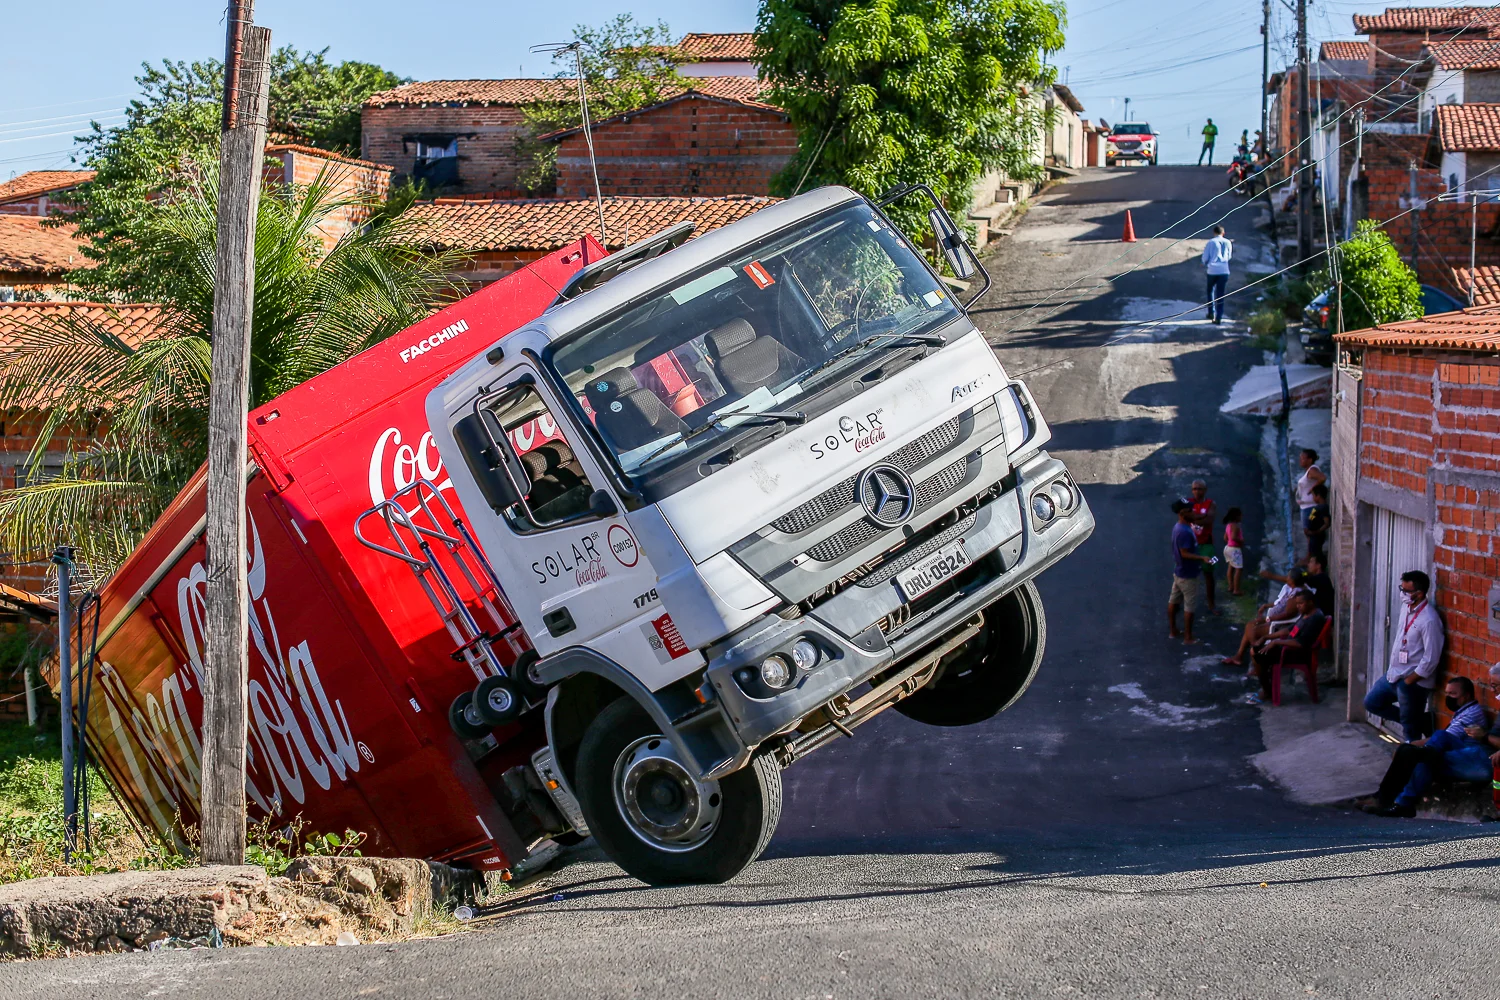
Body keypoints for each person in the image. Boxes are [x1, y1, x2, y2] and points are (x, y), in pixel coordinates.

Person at [1366, 676, 1491, 817]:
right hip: (1461, 755)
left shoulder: (1472, 714)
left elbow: (1448, 738)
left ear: (1466, 695)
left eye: (1453, 694)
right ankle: (1396, 802)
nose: (1449, 697)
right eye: (1447, 693)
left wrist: (1411, 746)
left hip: (1473, 759)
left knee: (1426, 747)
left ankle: (1390, 800)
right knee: (1422, 754)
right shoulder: (1465, 711)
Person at [1363, 570, 1443, 741]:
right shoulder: (1406, 608)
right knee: (1372, 702)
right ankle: (1422, 722)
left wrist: (1409, 681)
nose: (1403, 594)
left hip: (1413, 681)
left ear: (1419, 593)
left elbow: (1431, 657)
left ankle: (1412, 762)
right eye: (1402, 588)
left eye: (1407, 591)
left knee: (1410, 731)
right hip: (1395, 674)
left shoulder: (1429, 619)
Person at [1247, 591, 1327, 704]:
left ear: (1311, 602)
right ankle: (1268, 687)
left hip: (1295, 653)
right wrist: (1266, 637)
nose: (1298, 606)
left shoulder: (1314, 619)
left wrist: (1276, 643)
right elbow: (1290, 629)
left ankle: (1267, 691)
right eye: (1297, 603)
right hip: (1287, 649)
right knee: (1256, 651)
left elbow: (1301, 643)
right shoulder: (1306, 614)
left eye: (1301, 603)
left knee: (1255, 653)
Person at [1222, 567, 1309, 667]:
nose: (1286, 579)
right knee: (1250, 625)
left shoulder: (1296, 595)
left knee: (1251, 629)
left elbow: (1287, 615)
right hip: (1275, 619)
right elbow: (1280, 604)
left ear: (1292, 581)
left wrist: (1267, 619)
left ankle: (1258, 654)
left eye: (1288, 577)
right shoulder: (1295, 588)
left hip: (1281, 624)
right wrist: (1267, 606)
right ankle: (1240, 656)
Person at [1169, 500, 1214, 644]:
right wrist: (1202, 558)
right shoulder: (1184, 532)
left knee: (1173, 601)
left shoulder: (1179, 527)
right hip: (1188, 575)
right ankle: (1188, 637)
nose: (1193, 512)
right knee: (1189, 606)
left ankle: (1173, 630)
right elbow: (1184, 553)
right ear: (1183, 513)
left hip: (1179, 572)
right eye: (1190, 510)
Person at [1186, 480, 1218, 611]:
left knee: (1208, 574)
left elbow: (1209, 519)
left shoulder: (1211, 503)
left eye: (1199, 489)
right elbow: (1184, 516)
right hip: (1189, 544)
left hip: (1206, 544)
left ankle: (1211, 603)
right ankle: (1186, 604)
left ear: (1205, 490)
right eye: (1194, 489)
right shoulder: (1187, 502)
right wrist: (1201, 516)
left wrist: (1193, 517)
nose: (1196, 491)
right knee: (1185, 575)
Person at [1202, 225, 1232, 325]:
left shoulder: (1211, 242)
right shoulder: (1228, 242)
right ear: (1223, 233)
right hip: (1224, 270)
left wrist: (1207, 264)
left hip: (1212, 270)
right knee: (1220, 294)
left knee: (1210, 290)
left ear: (1214, 233)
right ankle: (1218, 317)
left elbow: (1205, 258)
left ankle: (1211, 312)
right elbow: (1229, 256)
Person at [1294, 449, 1326, 537]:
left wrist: (1313, 488)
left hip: (1310, 508)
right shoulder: (1309, 471)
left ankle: (1312, 550)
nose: (1300, 460)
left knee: (1309, 531)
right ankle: (1311, 549)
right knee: (1308, 532)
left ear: (1310, 460)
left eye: (1303, 458)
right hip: (1306, 507)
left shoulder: (1312, 470)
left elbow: (1322, 478)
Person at [1222, 507, 1245, 596]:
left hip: (1227, 548)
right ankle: (1236, 589)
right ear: (1237, 516)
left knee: (1231, 567)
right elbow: (1233, 537)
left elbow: (1225, 538)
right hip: (1235, 549)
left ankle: (1230, 586)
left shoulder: (1228, 525)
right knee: (1239, 569)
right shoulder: (1236, 526)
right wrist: (1241, 541)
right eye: (1240, 515)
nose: (1242, 517)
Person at [1304, 482, 1330, 561]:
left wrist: (1316, 532)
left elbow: (1327, 523)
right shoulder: (1318, 506)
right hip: (1313, 536)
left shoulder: (1323, 507)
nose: (1313, 498)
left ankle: (1319, 568)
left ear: (1318, 496)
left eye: (1313, 496)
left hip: (1316, 537)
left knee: (1315, 556)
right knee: (1313, 554)